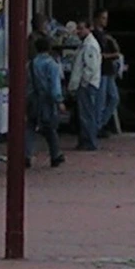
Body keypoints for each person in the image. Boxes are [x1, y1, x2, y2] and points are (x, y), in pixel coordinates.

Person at [27, 34, 65, 168]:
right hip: (46, 100)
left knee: (30, 126)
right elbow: (54, 85)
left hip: (32, 99)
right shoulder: (52, 64)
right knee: (49, 128)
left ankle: (27, 154)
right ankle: (55, 155)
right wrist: (59, 101)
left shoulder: (30, 64)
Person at [67, 21, 103, 151]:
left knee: (86, 114)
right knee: (85, 113)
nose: (78, 31)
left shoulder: (90, 46)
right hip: (85, 84)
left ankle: (89, 141)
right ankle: (86, 139)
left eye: (81, 29)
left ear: (89, 29)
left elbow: (90, 67)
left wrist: (83, 82)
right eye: (78, 29)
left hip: (87, 85)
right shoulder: (85, 45)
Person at [95, 12, 123, 137]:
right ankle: (97, 126)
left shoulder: (106, 36)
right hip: (101, 70)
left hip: (108, 70)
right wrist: (111, 55)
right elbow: (100, 55)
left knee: (114, 98)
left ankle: (100, 123)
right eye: (103, 18)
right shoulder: (95, 35)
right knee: (100, 100)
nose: (105, 21)